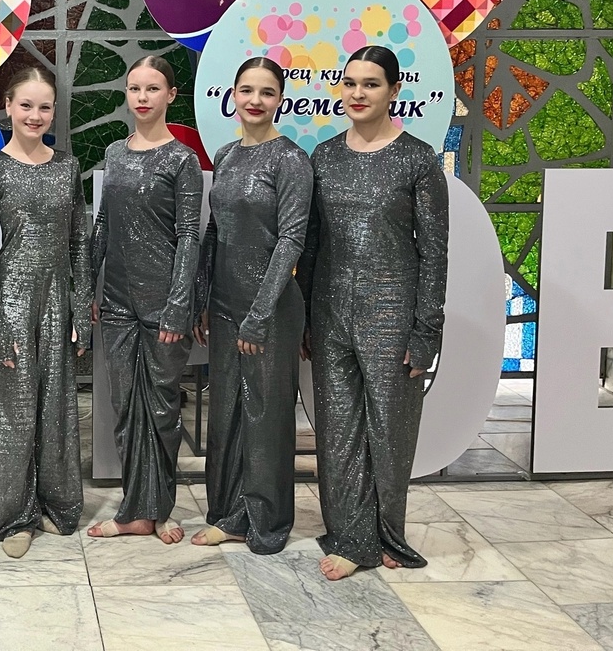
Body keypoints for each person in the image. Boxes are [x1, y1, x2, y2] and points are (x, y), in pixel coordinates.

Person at [298, 45, 449, 580]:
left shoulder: (418, 159)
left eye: (371, 84)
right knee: (337, 429)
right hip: (330, 310)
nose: (358, 93)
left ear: (394, 91)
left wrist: (426, 330)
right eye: (350, 83)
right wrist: (307, 316)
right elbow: (311, 246)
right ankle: (351, 536)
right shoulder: (323, 157)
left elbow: (435, 253)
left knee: (390, 432)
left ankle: (386, 533)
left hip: (394, 313)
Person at [191, 57, 313, 553]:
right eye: (246, 90)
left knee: (265, 417)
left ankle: (267, 521)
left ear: (280, 99)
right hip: (224, 304)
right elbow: (215, 231)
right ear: (234, 95)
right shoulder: (225, 155)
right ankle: (227, 515)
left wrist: (259, 314)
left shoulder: (291, 160)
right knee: (225, 413)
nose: (255, 100)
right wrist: (203, 296)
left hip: (272, 308)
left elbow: (291, 241)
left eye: (266, 92)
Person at [0, 66, 92, 559]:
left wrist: (81, 307)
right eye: (26, 105)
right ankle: (14, 515)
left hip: (58, 298)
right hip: (12, 299)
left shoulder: (67, 167)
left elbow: (80, 241)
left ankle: (56, 503)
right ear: (8, 106)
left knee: (58, 406)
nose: (35, 115)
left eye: (44, 106)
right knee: (14, 412)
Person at [88, 55, 203, 544]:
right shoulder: (115, 153)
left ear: (170, 96)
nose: (142, 97)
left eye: (152, 88)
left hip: (164, 306)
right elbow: (103, 226)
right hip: (117, 304)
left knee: (161, 412)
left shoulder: (182, 160)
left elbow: (190, 235)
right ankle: (134, 510)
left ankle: (160, 509)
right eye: (135, 88)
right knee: (125, 408)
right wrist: (86, 287)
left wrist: (179, 305)